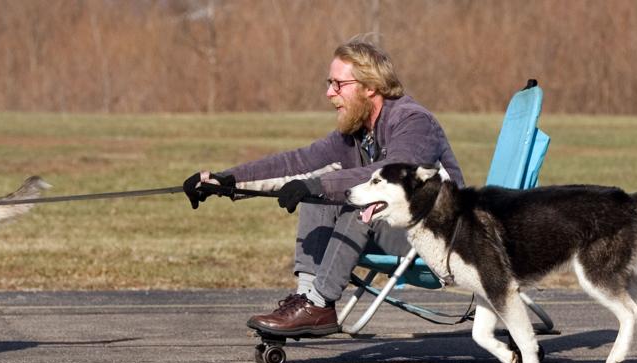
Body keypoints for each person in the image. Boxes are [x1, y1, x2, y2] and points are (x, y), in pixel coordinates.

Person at [184, 38, 465, 337]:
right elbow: (298, 162)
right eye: (329, 83)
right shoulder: (357, 132)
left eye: (338, 84)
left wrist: (318, 183)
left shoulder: (413, 122)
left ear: (370, 87)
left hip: (441, 239)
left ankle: (318, 304)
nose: (329, 92)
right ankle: (308, 299)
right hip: (398, 232)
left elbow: (387, 176)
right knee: (317, 196)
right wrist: (224, 181)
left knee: (355, 205)